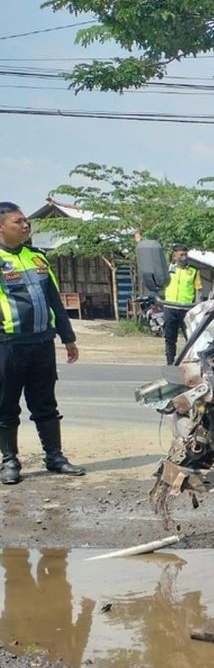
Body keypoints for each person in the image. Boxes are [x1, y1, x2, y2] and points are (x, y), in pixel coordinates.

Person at [0, 202, 85, 484]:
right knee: (6, 405)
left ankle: (54, 457)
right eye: (18, 222)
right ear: (1, 227)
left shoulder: (37, 258)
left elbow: (54, 301)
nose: (25, 225)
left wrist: (68, 337)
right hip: (8, 345)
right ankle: (10, 461)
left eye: (26, 221)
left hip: (42, 344)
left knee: (45, 403)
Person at [162, 243, 202, 364]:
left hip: (186, 309)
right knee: (170, 338)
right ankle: (170, 363)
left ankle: (191, 362)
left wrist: (198, 307)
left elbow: (198, 290)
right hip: (170, 307)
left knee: (190, 337)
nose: (183, 257)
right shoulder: (167, 270)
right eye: (181, 255)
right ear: (174, 256)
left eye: (185, 254)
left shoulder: (193, 271)